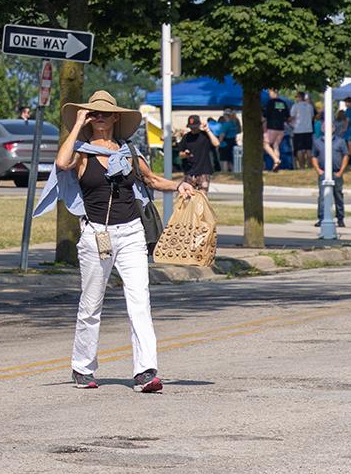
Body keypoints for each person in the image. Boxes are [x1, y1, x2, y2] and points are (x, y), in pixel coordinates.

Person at [37, 91, 193, 393]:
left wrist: (179, 185)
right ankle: (82, 367)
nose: (98, 117)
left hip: (132, 232)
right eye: (93, 113)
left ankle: (145, 372)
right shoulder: (81, 152)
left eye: (104, 113)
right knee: (92, 302)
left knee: (139, 301)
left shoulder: (129, 151)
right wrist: (77, 122)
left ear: (115, 118)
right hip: (97, 232)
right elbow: (61, 161)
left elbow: (151, 180)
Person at [314, 126, 348, 229]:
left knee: (338, 195)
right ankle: (321, 218)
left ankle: (340, 218)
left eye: (330, 126)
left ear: (334, 128)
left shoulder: (340, 141)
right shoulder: (317, 142)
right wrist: (318, 170)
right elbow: (314, 156)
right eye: (324, 127)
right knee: (322, 196)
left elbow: (345, 155)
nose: (327, 128)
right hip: (323, 172)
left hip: (336, 172)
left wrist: (341, 171)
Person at [175, 116, 217, 192]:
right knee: (188, 196)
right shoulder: (186, 137)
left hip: (204, 171)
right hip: (189, 171)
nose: (193, 129)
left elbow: (216, 143)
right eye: (191, 127)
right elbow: (180, 154)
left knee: (202, 196)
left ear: (199, 125)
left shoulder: (205, 136)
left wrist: (207, 130)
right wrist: (185, 154)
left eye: (194, 127)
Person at [263, 88, 290, 170]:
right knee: (276, 145)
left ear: (273, 92)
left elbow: (265, 116)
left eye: (269, 92)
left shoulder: (270, 102)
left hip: (272, 127)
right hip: (281, 128)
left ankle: (276, 159)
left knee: (265, 144)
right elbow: (287, 116)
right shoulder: (283, 103)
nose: (269, 94)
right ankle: (275, 165)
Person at [289, 91, 316, 169]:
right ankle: (310, 165)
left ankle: (302, 166)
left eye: (296, 97)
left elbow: (292, 117)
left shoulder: (295, 106)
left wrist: (287, 120)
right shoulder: (310, 106)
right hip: (308, 129)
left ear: (300, 97)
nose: (296, 98)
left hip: (298, 130)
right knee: (308, 149)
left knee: (299, 149)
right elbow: (312, 117)